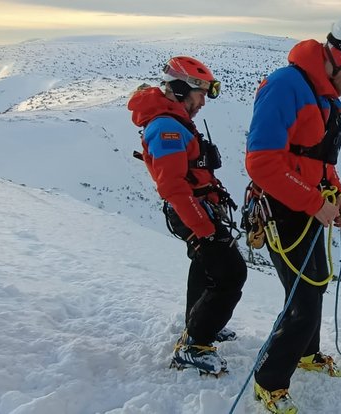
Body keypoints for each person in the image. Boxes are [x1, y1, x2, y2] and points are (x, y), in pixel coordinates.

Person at [245, 12, 341, 414]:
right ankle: (269, 382)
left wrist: (336, 197)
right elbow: (261, 162)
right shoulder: (286, 86)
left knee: (315, 285)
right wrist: (314, 202)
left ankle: (307, 353)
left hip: (310, 206)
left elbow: (320, 160)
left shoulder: (326, 96)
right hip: (283, 209)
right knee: (303, 300)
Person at [127, 56, 247, 376]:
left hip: (196, 207)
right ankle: (194, 344)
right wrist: (203, 228)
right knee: (230, 273)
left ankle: (200, 323)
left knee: (206, 266)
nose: (203, 102)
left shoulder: (174, 119)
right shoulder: (167, 126)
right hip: (190, 210)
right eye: (200, 94)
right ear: (182, 90)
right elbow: (174, 187)